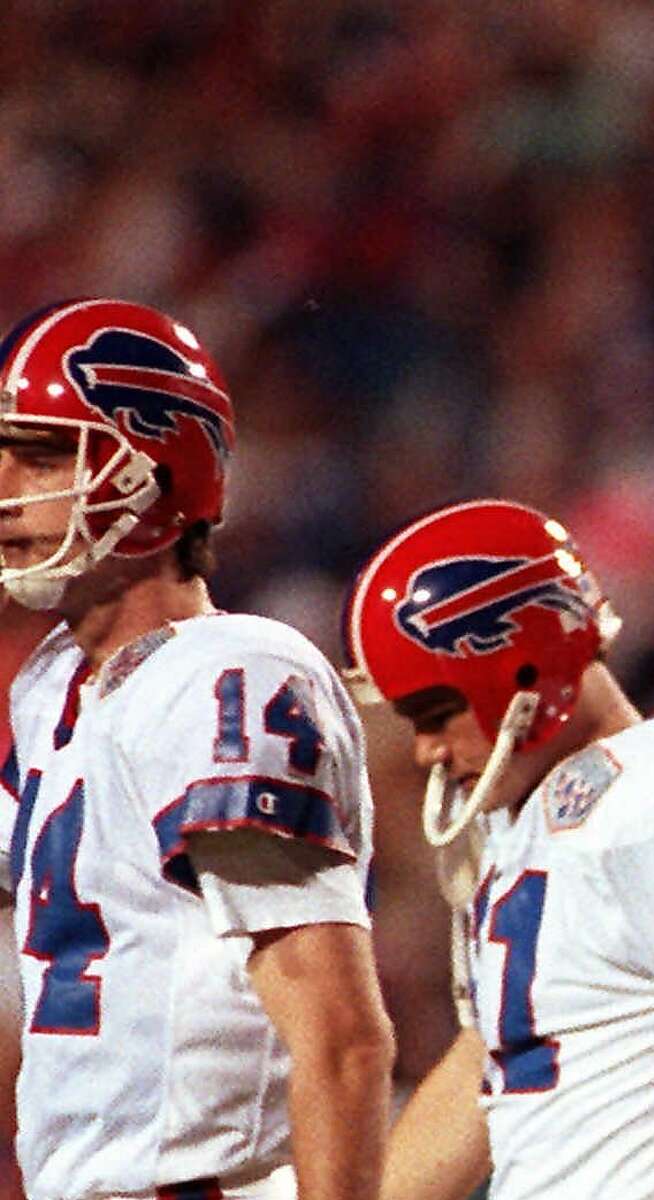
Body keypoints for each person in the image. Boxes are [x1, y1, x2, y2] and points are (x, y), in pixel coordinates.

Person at [0, 299, 395, 1199]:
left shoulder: (233, 677)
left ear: (158, 473)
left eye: (45, 452)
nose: (7, 485)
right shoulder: (54, 680)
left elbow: (341, 1035)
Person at [342, 498, 654, 1200]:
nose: (425, 748)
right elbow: (491, 1064)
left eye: (436, 712)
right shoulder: (523, 825)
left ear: (518, 670)